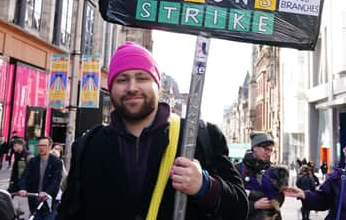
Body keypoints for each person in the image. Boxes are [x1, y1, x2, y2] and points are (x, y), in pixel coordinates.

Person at [57, 41, 247, 220]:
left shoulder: (201, 136)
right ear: (111, 87)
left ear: (158, 84)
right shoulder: (87, 145)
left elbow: (239, 209)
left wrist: (205, 186)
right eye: (122, 80)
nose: (132, 88)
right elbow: (69, 213)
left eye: (142, 78)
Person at [236, 132, 288, 219]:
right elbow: (230, 200)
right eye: (266, 149)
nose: (269, 153)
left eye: (271, 150)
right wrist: (253, 205)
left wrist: (275, 201)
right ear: (255, 148)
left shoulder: (275, 172)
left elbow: (280, 197)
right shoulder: (237, 169)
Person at [18, 136, 63, 220]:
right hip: (35, 200)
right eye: (39, 145)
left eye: (44, 145)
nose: (41, 148)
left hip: (49, 201)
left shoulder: (56, 162)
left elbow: (56, 180)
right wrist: (23, 188)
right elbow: (24, 176)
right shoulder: (33, 161)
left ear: (50, 146)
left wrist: (47, 192)